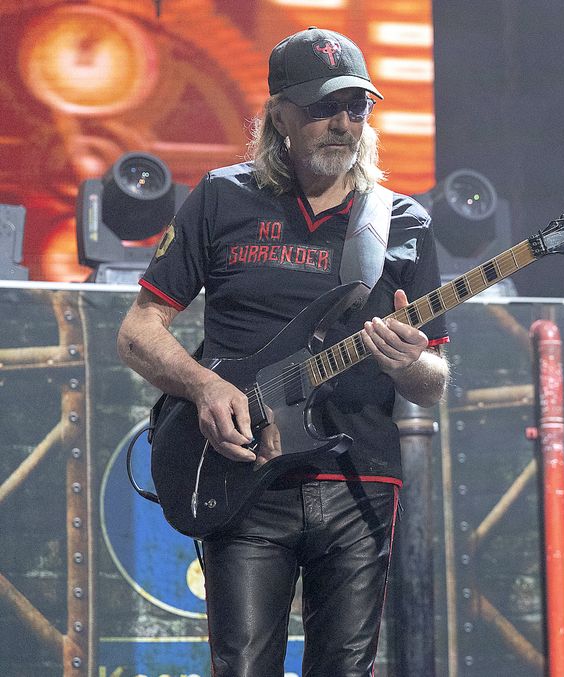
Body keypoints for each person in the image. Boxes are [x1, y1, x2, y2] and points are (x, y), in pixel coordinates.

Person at [116, 27, 449, 676]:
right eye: (325, 107)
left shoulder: (401, 222)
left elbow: (433, 380)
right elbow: (139, 330)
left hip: (360, 480)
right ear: (279, 116)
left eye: (357, 108)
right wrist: (205, 386)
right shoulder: (220, 196)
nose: (343, 123)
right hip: (244, 480)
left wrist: (406, 359)